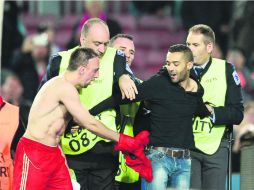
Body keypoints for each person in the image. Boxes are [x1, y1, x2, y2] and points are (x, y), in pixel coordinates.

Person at [13, 48, 150, 190]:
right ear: (82, 70)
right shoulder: (64, 87)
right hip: (35, 152)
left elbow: (81, 120)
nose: (97, 76)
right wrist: (122, 140)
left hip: (54, 152)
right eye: (95, 70)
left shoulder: (70, 89)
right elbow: (89, 122)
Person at [90, 44, 211, 190]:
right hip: (158, 159)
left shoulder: (197, 89)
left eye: (176, 64)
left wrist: (209, 111)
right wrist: (88, 114)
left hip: (184, 161)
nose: (170, 68)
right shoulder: (158, 83)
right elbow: (119, 98)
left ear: (189, 65)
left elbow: (199, 108)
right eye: (168, 63)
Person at [39, 18, 138, 190]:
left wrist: (124, 76)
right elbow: (42, 102)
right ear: (82, 39)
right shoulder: (59, 61)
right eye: (97, 43)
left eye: (106, 44)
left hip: (104, 148)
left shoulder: (117, 57)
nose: (102, 50)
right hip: (70, 148)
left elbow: (128, 79)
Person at [186, 24, 244, 190]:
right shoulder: (180, 69)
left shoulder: (226, 70)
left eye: (195, 45)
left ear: (209, 47)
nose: (190, 50)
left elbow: (237, 113)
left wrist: (210, 111)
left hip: (218, 145)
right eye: (188, 44)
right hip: (188, 146)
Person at [109, 34, 141, 190]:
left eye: (131, 52)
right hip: (101, 162)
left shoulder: (140, 86)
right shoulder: (92, 81)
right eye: (122, 50)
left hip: (130, 166)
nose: (127, 55)